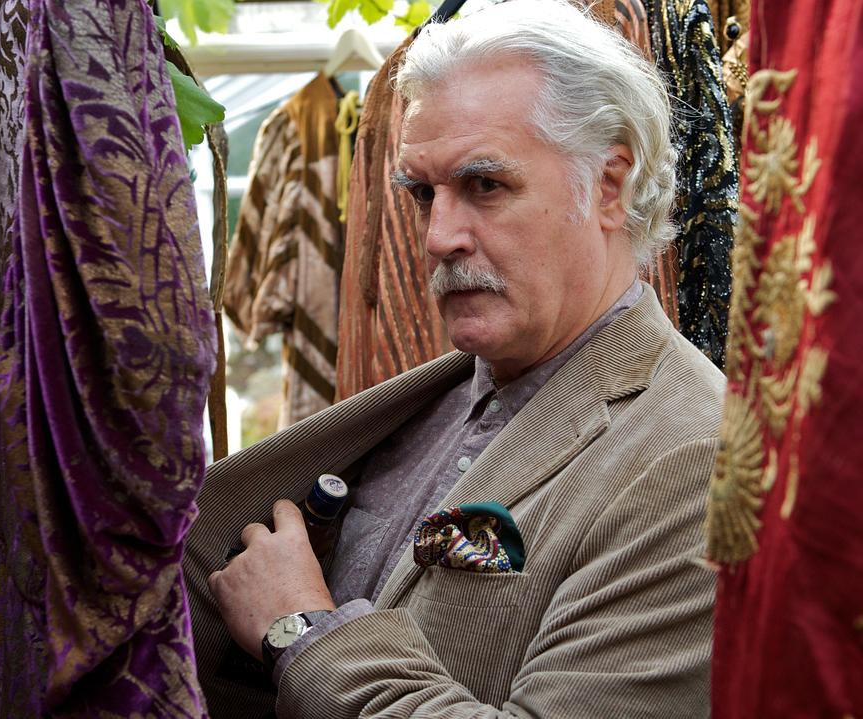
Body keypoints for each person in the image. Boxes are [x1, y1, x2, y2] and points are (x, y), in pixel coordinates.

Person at [184, 1, 724, 716]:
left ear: (610, 186)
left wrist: (301, 630)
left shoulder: (693, 458)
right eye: (422, 193)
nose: (438, 236)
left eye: (485, 186)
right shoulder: (429, 403)